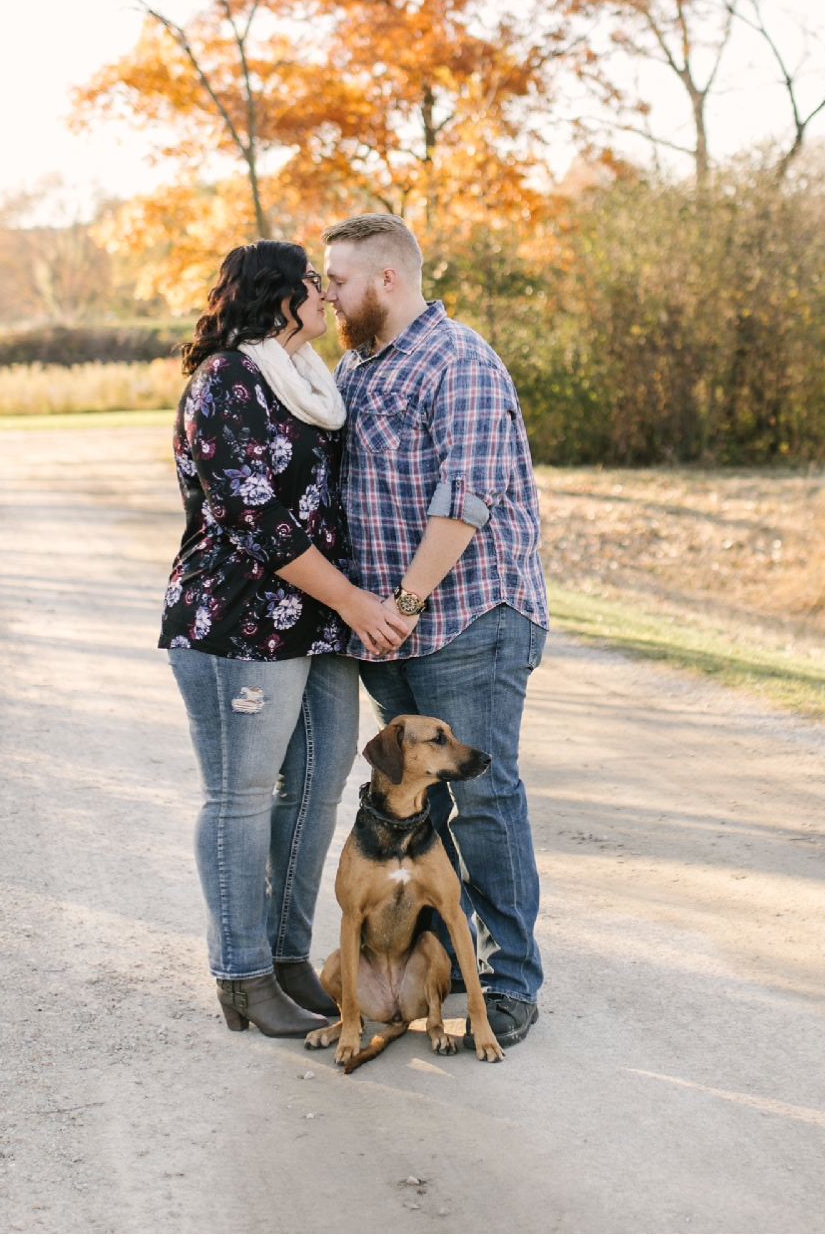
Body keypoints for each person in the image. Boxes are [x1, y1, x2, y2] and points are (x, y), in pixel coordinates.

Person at [159, 238, 412, 1040]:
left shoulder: (311, 380)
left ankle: (284, 956)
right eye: (314, 283)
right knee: (238, 796)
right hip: (235, 622)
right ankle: (240, 976)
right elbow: (258, 523)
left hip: (315, 624)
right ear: (278, 297)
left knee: (315, 790)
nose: (328, 296)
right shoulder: (225, 384)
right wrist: (358, 602)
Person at [323, 210, 549, 1050]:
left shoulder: (461, 362)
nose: (329, 294)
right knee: (419, 807)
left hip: (466, 620)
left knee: (485, 798)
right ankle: (440, 962)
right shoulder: (357, 366)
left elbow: (466, 500)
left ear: (387, 278)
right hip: (391, 632)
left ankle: (510, 980)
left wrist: (408, 603)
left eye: (338, 279)